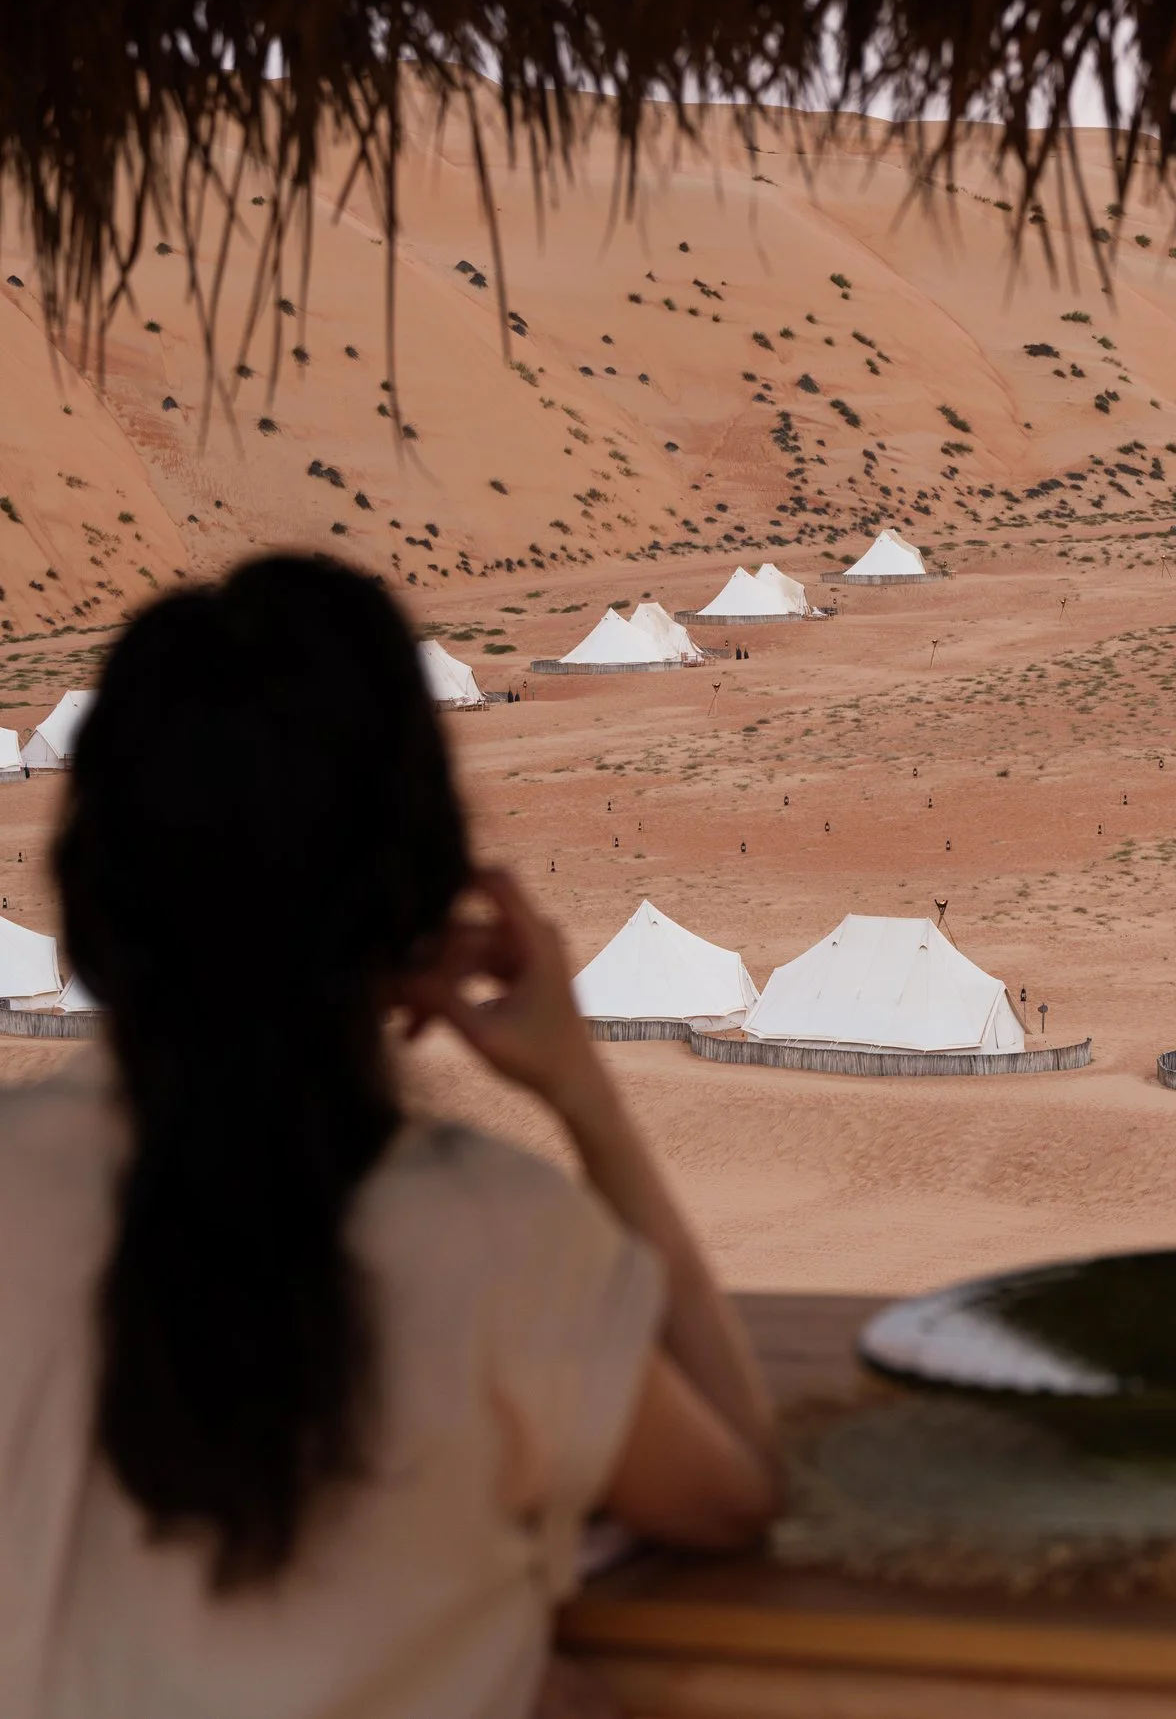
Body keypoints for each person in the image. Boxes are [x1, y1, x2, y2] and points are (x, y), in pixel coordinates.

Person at [0, 556, 778, 1718]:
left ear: (93, 888)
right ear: (417, 895)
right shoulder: (495, 1238)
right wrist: (585, 1099)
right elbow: (737, 1489)